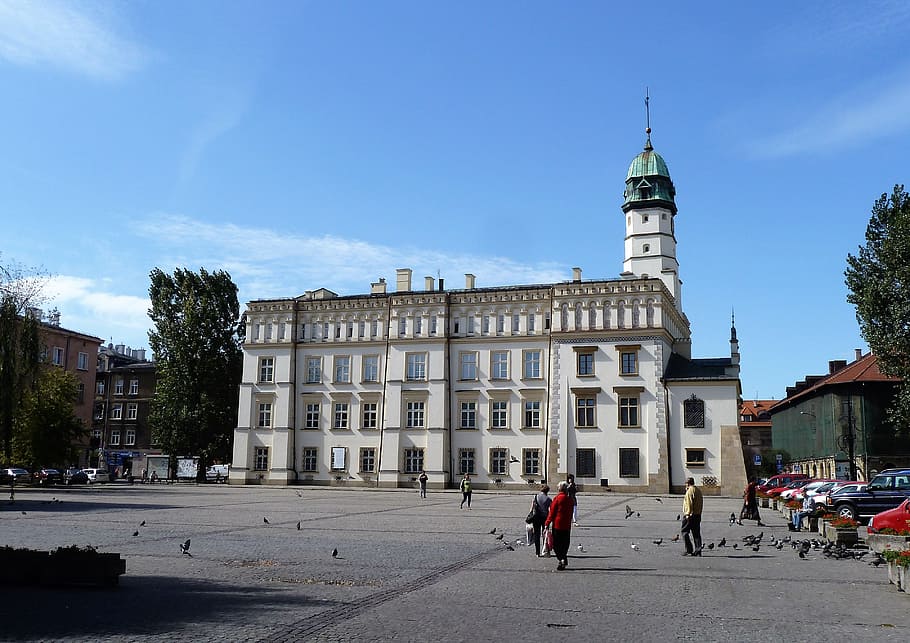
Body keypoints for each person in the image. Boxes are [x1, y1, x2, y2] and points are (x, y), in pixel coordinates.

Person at [545, 481, 574, 570]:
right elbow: (571, 512)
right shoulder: (570, 500)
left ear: (559, 489)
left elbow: (552, 513)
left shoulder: (557, 499)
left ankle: (561, 558)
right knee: (565, 543)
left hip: (557, 525)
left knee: (556, 544)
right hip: (567, 525)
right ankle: (563, 558)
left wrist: (547, 523)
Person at [681, 477, 703, 556]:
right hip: (698, 515)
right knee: (696, 533)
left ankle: (689, 549)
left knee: (684, 532)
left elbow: (689, 503)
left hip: (690, 515)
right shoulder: (698, 490)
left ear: (687, 483)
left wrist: (688, 514)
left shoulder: (689, 491)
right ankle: (698, 550)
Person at [530, 484, 553, 557]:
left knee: (537, 534)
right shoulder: (549, 499)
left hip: (536, 517)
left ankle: (537, 553)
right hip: (545, 518)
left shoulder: (535, 496)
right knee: (545, 535)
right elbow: (550, 510)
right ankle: (545, 550)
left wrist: (530, 516)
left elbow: (532, 508)